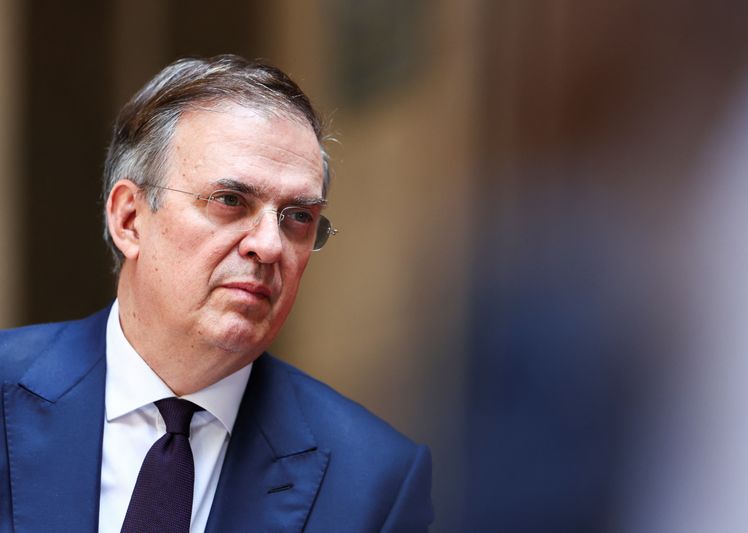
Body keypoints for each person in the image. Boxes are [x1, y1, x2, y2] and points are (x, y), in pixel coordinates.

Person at [0, 54, 433, 533]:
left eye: (298, 217)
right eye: (230, 201)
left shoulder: (373, 483)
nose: (270, 246)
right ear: (129, 219)